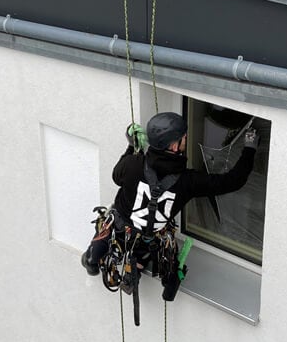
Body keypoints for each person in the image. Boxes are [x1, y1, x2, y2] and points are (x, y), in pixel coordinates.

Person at [81, 111, 259, 277]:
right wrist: (249, 148)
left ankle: (94, 257)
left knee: (109, 234)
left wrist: (131, 147)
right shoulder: (189, 181)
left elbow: (116, 177)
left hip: (119, 229)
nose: (186, 139)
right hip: (147, 240)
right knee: (144, 246)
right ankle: (137, 264)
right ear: (174, 146)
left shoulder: (133, 164)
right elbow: (233, 181)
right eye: (183, 138)